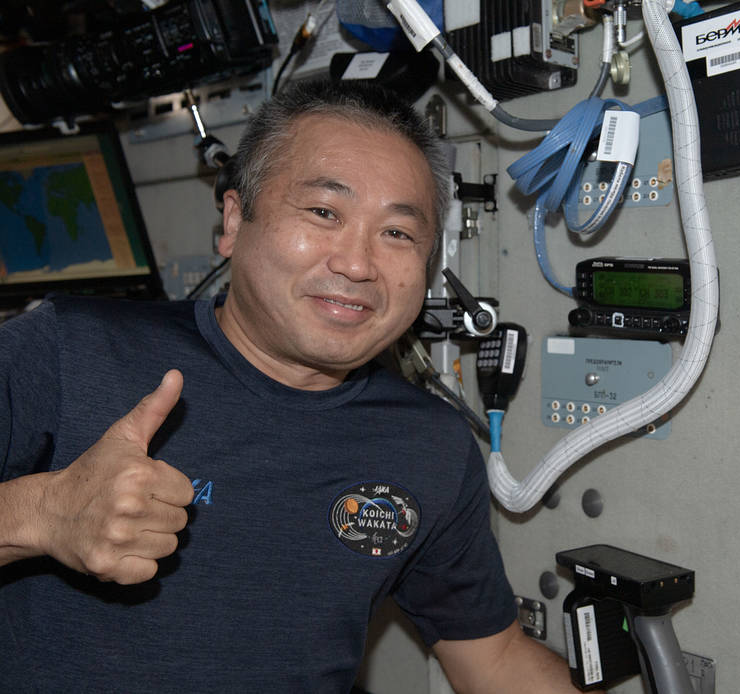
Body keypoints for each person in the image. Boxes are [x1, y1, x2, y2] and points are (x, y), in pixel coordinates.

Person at [0, 80, 589, 693]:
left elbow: (494, 661)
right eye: (324, 213)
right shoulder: (69, 351)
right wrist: (42, 514)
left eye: (397, 233)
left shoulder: (429, 445)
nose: (357, 264)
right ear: (234, 221)